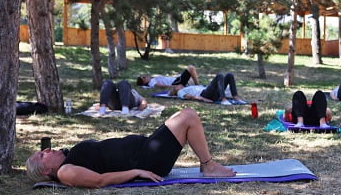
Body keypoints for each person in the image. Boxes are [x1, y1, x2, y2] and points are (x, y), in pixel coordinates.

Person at [25, 108, 236, 187]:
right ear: (45, 170)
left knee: (181, 116)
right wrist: (137, 172)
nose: (47, 150)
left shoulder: (68, 158)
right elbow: (99, 181)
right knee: (188, 116)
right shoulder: (65, 172)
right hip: (146, 160)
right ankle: (208, 165)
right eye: (42, 155)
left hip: (145, 150)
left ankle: (207, 164)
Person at [169, 72, 239, 105]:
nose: (178, 85)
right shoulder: (180, 92)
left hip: (211, 93)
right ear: (176, 90)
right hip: (205, 94)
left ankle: (236, 98)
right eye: (176, 86)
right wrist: (203, 99)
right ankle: (224, 100)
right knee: (219, 75)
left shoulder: (187, 88)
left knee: (229, 75)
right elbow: (190, 97)